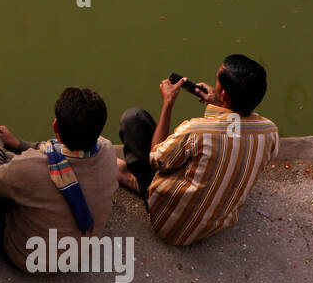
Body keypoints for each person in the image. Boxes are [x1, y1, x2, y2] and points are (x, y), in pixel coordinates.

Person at [118, 55, 279, 246]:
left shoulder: (196, 131)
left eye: (218, 83)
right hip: (217, 224)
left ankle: (141, 185)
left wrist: (168, 102)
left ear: (226, 94)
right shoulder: (269, 131)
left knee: (134, 119)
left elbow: (155, 157)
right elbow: (234, 134)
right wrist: (220, 104)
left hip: (171, 227)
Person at [0, 88, 119, 271]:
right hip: (79, 251)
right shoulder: (108, 150)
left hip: (31, 258)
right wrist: (16, 144)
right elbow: (54, 150)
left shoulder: (31, 168)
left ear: (56, 126)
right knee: (14, 170)